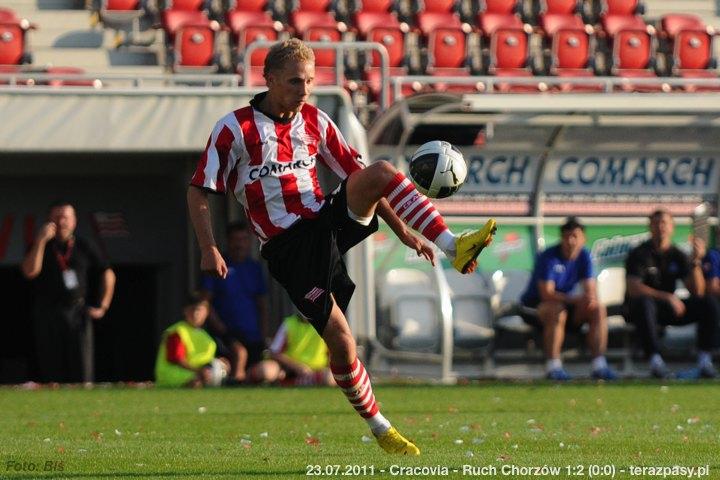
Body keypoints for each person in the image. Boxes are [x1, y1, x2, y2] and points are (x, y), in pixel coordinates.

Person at [187, 38, 496, 455]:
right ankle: (380, 427)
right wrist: (209, 247)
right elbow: (198, 190)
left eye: (310, 81)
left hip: (323, 220)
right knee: (342, 343)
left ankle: (452, 244)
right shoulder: (235, 129)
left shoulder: (315, 120)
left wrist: (404, 232)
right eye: (295, 81)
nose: (304, 90)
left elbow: (363, 177)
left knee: (380, 171)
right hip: (288, 248)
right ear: (270, 79)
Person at [21, 201, 116, 383]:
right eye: (56, 218)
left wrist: (103, 306)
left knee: (82, 367)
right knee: (51, 366)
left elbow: (107, 273)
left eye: (65, 217)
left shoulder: (84, 245)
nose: (61, 222)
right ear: (49, 220)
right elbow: (29, 272)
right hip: (48, 311)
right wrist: (41, 240)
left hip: (77, 311)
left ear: (74, 221)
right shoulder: (39, 245)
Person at [519, 217, 617, 381]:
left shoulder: (585, 256)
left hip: (567, 306)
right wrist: (576, 300)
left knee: (598, 309)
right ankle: (553, 366)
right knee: (557, 311)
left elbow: (590, 289)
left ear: (583, 239)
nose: (571, 241)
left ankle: (599, 365)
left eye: (575, 236)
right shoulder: (548, 257)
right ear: (561, 238)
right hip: (535, 306)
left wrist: (588, 300)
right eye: (567, 237)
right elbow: (547, 294)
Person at [625, 209, 719, 379]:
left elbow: (697, 291)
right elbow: (634, 289)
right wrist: (667, 297)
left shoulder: (677, 254)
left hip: (669, 309)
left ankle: (705, 360)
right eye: (656, 223)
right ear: (650, 227)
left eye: (664, 223)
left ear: (672, 227)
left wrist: (696, 262)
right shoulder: (639, 254)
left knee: (708, 303)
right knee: (645, 303)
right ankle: (655, 361)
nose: (660, 227)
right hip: (642, 309)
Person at [201, 221, 269, 383]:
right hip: (226, 335)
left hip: (253, 335)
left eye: (243, 239)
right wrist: (223, 332)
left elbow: (262, 305)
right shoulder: (217, 266)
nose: (240, 244)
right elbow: (205, 303)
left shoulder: (254, 268)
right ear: (228, 241)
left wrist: (264, 334)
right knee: (237, 359)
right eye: (235, 240)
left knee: (259, 373)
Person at [155, 292, 234, 387]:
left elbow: (203, 361)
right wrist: (200, 371)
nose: (195, 314)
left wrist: (219, 363)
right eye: (192, 309)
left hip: (199, 378)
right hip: (175, 380)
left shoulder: (207, 337)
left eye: (199, 310)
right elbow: (176, 359)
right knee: (197, 384)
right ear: (185, 311)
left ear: (207, 312)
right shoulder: (177, 332)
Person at [269, 312, 334, 386]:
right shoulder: (288, 323)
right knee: (267, 370)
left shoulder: (325, 325)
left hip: (317, 371)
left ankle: (294, 382)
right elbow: (274, 353)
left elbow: (333, 352)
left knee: (329, 377)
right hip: (290, 370)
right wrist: (297, 367)